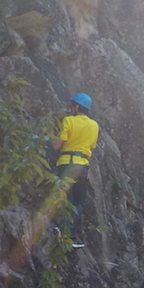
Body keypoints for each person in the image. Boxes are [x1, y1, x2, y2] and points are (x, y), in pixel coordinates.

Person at [53, 92, 99, 248]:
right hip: (80, 165)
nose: (70, 108)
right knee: (79, 201)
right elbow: (91, 146)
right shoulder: (94, 125)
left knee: (68, 199)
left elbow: (57, 145)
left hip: (65, 164)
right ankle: (69, 234)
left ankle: (64, 229)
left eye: (72, 106)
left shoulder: (68, 121)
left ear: (77, 107)